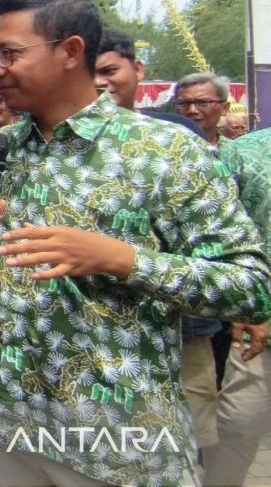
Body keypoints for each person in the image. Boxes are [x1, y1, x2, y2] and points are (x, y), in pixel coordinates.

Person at [0, 0, 271, 487]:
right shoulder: (3, 146)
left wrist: (122, 258)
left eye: (9, 54)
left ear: (71, 51)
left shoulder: (163, 150)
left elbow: (250, 285)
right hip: (2, 421)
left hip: (116, 440)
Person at [95, 29, 218, 453]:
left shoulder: (177, 137)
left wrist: (123, 258)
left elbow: (219, 248)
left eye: (110, 70)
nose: (100, 83)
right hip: (104, 336)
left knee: (187, 446)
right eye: (91, 74)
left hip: (182, 328)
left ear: (138, 69)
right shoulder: (60, 147)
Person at [204, 127, 271, 486]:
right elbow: (218, 235)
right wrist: (250, 308)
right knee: (238, 426)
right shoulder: (246, 152)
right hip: (260, 322)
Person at [93, 30, 204, 136]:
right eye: (89, 75)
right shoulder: (77, 140)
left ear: (137, 70)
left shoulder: (181, 131)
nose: (97, 82)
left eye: (109, 71)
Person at [174, 72, 231, 148]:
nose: (192, 110)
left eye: (202, 102)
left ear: (224, 108)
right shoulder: (159, 151)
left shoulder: (238, 153)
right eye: (183, 103)